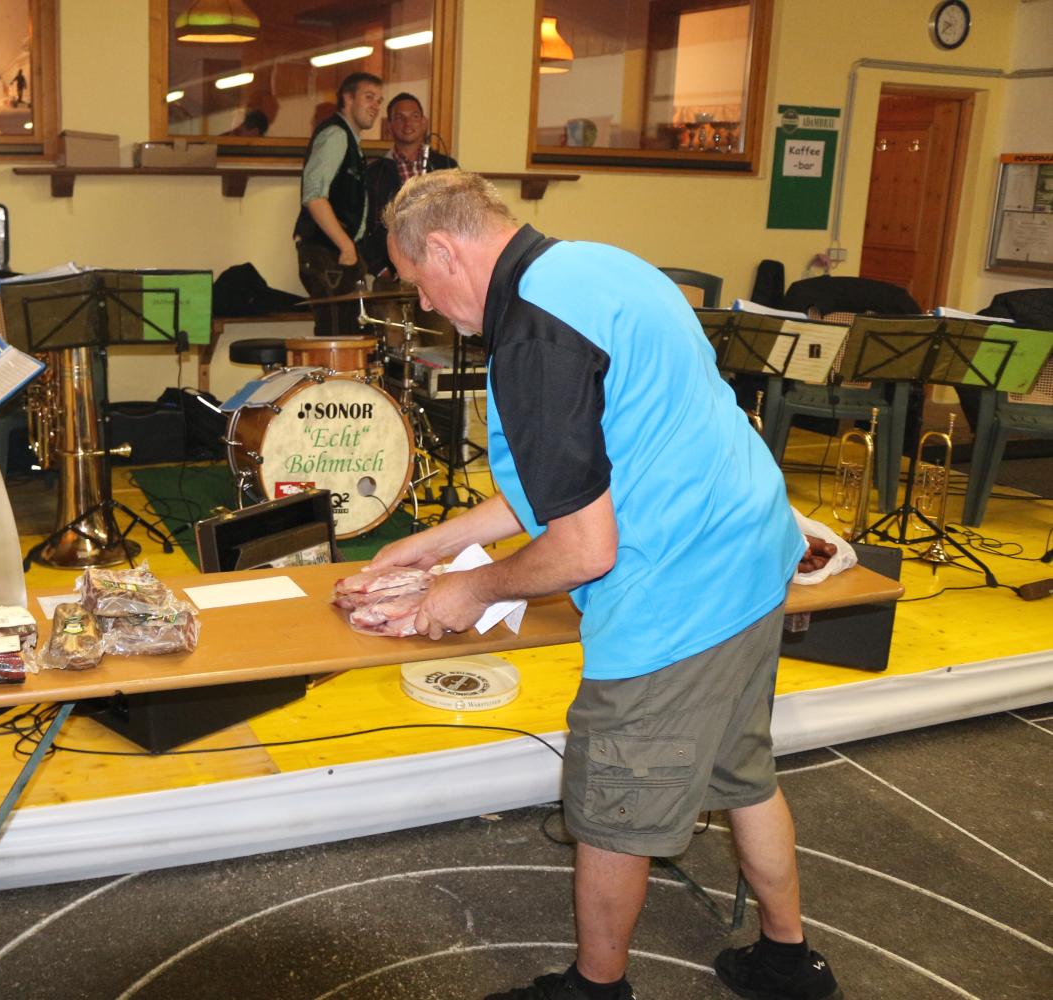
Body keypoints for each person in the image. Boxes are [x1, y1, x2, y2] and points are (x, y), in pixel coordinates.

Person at [372, 170, 841, 1000]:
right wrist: (439, 543)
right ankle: (785, 961)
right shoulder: (597, 266)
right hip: (752, 557)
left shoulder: (532, 337)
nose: (427, 306)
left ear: (443, 249)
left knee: (615, 810)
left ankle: (596, 989)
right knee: (743, 773)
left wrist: (468, 592)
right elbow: (585, 469)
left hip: (677, 596)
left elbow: (585, 550)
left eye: (418, 284)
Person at [293, 72, 382, 336]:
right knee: (337, 336)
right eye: (369, 97)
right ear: (348, 98)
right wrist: (346, 246)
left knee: (348, 334)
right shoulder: (336, 135)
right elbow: (313, 195)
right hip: (327, 252)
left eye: (379, 100)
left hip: (336, 253)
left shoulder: (349, 140)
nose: (375, 106)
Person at [361, 92, 457, 277]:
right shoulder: (375, 173)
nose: (408, 123)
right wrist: (380, 269)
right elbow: (366, 226)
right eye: (399, 118)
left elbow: (459, 218)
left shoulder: (446, 166)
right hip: (392, 273)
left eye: (414, 116)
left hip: (441, 271)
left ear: (424, 122)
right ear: (389, 126)